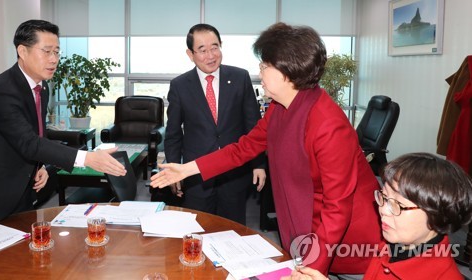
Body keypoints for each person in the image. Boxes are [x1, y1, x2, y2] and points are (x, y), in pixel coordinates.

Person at [151, 22, 382, 277]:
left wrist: (311, 269)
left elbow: (338, 206)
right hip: (306, 233)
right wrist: (187, 169)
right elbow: (243, 148)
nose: (260, 73)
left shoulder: (328, 124)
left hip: (345, 245)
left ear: (286, 70)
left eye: (264, 66)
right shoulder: (280, 108)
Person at [0, 20, 126, 227]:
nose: (54, 59)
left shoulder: (41, 87)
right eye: (46, 51)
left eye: (56, 52)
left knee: (24, 251)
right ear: (22, 51)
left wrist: (41, 165)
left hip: (23, 189)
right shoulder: (3, 90)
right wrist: (87, 158)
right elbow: (28, 142)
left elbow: (37, 133)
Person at [282, 153, 472, 280]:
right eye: (384, 197)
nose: (383, 210)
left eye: (397, 204)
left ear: (438, 216)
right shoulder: (389, 246)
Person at [163, 23, 266, 225]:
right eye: (202, 50)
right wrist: (174, 171)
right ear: (190, 54)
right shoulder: (180, 85)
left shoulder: (240, 77)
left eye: (215, 47)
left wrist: (258, 164)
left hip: (234, 174)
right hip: (196, 176)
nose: (211, 55)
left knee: (233, 230)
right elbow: (174, 134)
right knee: (197, 231)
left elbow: (253, 126)